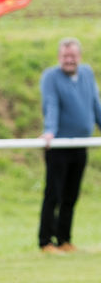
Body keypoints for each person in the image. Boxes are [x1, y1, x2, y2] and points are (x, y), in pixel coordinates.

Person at [38, 37, 101, 253]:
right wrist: (50, 132)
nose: (69, 60)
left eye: (72, 56)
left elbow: (95, 104)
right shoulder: (51, 77)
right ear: (59, 58)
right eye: (65, 56)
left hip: (81, 145)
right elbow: (51, 105)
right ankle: (46, 241)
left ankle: (64, 240)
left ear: (79, 57)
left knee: (71, 196)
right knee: (53, 194)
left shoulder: (87, 74)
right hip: (58, 147)